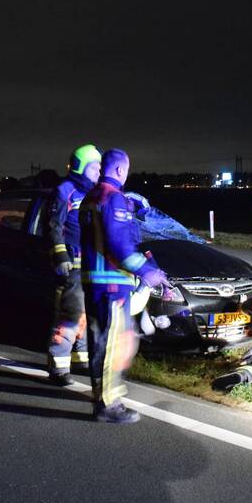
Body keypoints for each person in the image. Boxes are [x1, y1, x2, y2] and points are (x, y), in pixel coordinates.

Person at [80, 148, 169, 424]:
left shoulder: (90, 198)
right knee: (112, 344)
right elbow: (119, 245)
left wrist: (149, 267)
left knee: (102, 341)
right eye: (127, 169)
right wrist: (147, 273)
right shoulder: (114, 199)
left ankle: (104, 396)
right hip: (112, 285)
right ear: (120, 170)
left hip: (94, 280)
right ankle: (108, 405)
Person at [45, 144, 103, 386]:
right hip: (72, 267)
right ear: (80, 166)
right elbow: (53, 227)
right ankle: (58, 368)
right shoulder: (65, 190)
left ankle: (80, 360)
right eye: (94, 167)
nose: (98, 172)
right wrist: (60, 258)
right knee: (69, 316)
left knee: (86, 316)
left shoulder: (95, 194)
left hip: (91, 267)